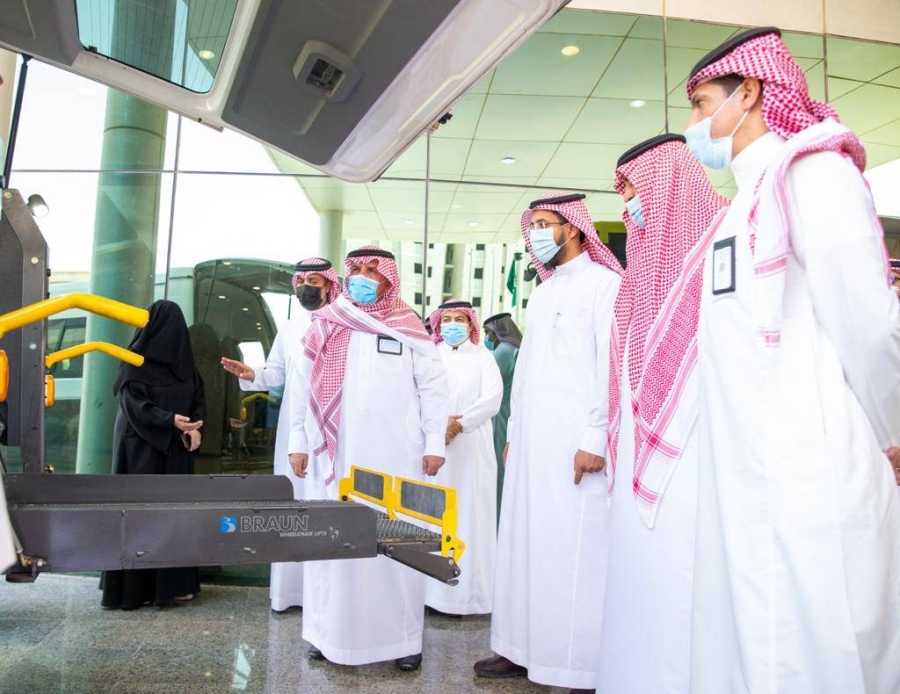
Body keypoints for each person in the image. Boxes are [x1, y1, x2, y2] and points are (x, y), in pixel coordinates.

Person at [684, 27, 900, 694]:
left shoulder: (815, 175)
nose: (694, 125)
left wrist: (893, 430)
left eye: (701, 104)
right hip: (746, 469)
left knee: (818, 640)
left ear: (749, 92)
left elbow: (869, 324)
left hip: (813, 463)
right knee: (754, 640)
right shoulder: (740, 204)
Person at [474, 193, 622, 691]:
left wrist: (595, 436)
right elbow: (528, 372)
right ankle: (520, 649)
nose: (535, 233)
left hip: (575, 444)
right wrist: (515, 432)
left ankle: (576, 665)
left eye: (544, 223)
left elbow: (610, 367)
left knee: (573, 550)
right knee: (524, 545)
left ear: (573, 228)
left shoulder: (606, 285)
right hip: (532, 444)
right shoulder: (542, 293)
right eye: (532, 224)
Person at [597, 134, 728, 694]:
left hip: (697, 452)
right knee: (639, 578)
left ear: (665, 182)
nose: (627, 202)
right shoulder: (638, 271)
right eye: (623, 192)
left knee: (681, 582)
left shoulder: (721, 244)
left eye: (632, 188)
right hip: (639, 451)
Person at [287, 246, 449, 672]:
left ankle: (403, 639)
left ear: (389, 278)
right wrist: (298, 439)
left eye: (371, 270)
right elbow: (303, 387)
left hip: (396, 456)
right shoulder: (327, 322)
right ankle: (326, 633)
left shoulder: (408, 327)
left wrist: (435, 442)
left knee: (398, 542)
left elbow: (433, 388)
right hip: (336, 456)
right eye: (355, 269)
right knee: (332, 539)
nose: (361, 276)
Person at [221, 257, 338, 613]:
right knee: (294, 506)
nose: (306, 287)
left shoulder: (344, 324)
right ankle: (292, 594)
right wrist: (251, 374)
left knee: (327, 508)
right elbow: (275, 374)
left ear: (329, 285)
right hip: (294, 430)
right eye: (301, 281)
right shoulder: (290, 328)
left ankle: (327, 597)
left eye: (314, 281)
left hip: (334, 430)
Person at [101, 300, 206, 609]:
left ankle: (173, 586)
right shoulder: (133, 362)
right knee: (142, 516)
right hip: (140, 450)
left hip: (177, 449)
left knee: (175, 517)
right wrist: (169, 420)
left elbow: (199, 400)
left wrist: (197, 427)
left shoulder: (186, 367)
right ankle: (136, 590)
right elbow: (134, 405)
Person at [424, 299, 502, 616]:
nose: (453, 324)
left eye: (460, 319)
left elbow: (492, 400)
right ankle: (432, 594)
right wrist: (437, 426)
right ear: (438, 325)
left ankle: (470, 597)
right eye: (447, 319)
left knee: (471, 516)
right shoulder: (430, 355)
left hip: (472, 447)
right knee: (435, 514)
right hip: (435, 446)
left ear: (470, 325)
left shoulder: (483, 357)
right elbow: (421, 394)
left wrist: (459, 424)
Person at [481, 312, 522, 517]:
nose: (487, 338)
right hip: (511, 413)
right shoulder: (515, 348)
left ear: (497, 332)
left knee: (498, 467)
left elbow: (486, 385)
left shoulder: (503, 351)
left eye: (488, 333)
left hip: (500, 417)